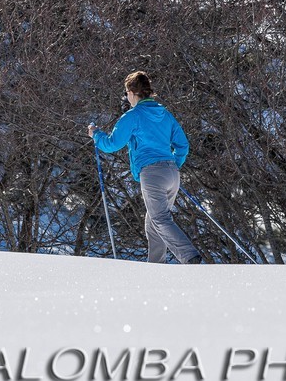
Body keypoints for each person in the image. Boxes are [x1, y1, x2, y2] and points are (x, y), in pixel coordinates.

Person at [87, 71, 203, 264]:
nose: (127, 97)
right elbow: (183, 145)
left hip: (152, 173)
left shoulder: (133, 116)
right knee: (152, 222)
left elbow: (112, 144)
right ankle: (156, 265)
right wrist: (173, 165)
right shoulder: (165, 114)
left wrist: (96, 135)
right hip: (172, 172)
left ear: (133, 93)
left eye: (127, 93)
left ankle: (189, 256)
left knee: (160, 219)